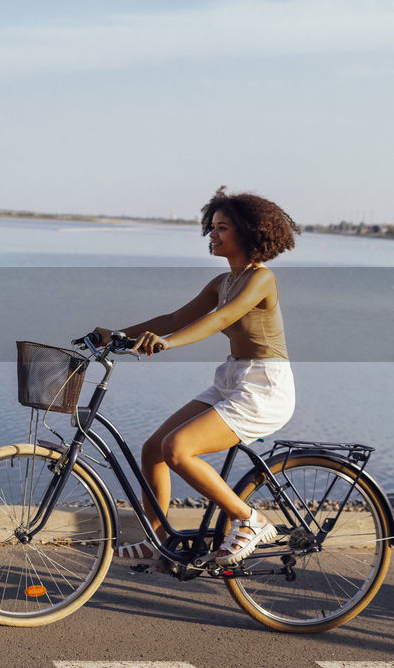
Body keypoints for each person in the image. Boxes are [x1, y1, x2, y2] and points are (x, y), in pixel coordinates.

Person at [92, 186, 300, 567]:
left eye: (222, 228)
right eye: (212, 227)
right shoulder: (222, 282)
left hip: (264, 387)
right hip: (232, 379)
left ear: (248, 233)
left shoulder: (261, 279)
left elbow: (219, 319)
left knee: (178, 449)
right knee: (153, 449)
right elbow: (174, 318)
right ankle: (157, 539)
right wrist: (119, 336)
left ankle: (250, 520)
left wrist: (168, 344)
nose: (212, 235)